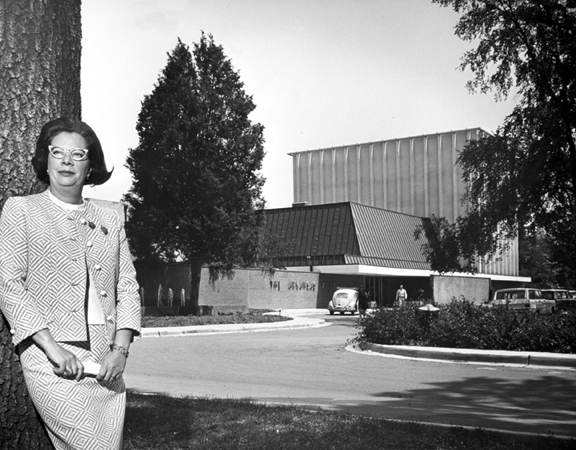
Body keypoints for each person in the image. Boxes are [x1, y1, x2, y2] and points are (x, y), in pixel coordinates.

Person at [0, 117, 141, 450]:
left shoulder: (111, 216)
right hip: (52, 357)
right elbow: (8, 284)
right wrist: (53, 349)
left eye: (78, 155)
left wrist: (120, 351)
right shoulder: (21, 210)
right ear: (44, 160)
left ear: (90, 164)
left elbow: (128, 288)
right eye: (57, 152)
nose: (66, 161)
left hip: (106, 358)